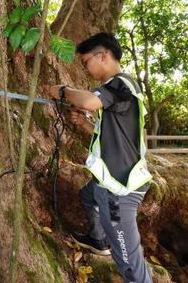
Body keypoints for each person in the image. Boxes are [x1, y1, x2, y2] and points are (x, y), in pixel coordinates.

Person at [49, 32, 153, 283]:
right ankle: (98, 239)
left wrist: (62, 91)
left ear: (103, 55)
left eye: (85, 62)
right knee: (88, 194)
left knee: (130, 265)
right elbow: (109, 134)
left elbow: (88, 101)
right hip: (111, 180)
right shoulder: (120, 91)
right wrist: (85, 124)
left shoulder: (120, 84)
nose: (85, 68)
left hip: (119, 190)